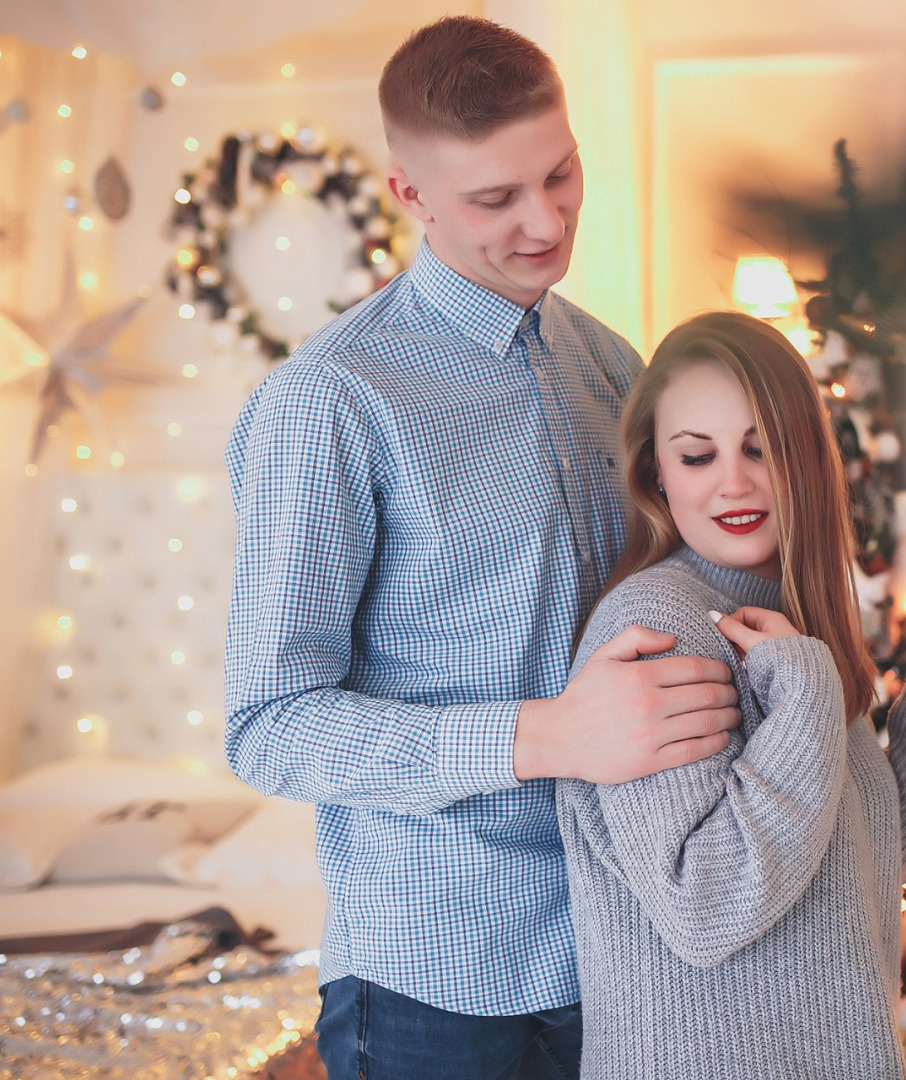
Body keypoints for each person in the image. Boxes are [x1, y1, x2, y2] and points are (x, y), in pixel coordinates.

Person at [223, 18, 740, 1080]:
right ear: (407, 194)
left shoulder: (609, 361)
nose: (545, 222)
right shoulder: (330, 401)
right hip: (434, 980)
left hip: (624, 951)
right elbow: (269, 730)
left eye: (559, 175)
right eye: (494, 199)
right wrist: (546, 736)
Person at [556, 311, 906, 1079]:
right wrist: (805, 694)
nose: (733, 482)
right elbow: (705, 907)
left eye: (760, 448)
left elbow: (871, 855)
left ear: (803, 456)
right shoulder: (660, 625)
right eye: (697, 456)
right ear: (656, 474)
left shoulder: (788, 617)